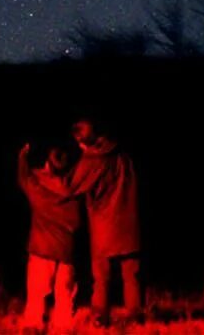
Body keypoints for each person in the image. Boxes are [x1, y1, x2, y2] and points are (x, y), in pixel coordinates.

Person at [59, 118, 140, 324]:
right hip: (130, 223)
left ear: (82, 140)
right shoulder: (123, 155)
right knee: (131, 275)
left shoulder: (92, 160)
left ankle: (100, 316)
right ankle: (135, 315)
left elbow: (69, 188)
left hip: (105, 225)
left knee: (101, 276)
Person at [17, 141, 81, 332]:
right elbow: (78, 223)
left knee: (36, 296)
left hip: (41, 249)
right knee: (65, 298)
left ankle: (34, 326)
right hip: (66, 251)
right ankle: (63, 327)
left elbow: (23, 177)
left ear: (47, 163)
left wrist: (22, 156)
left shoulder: (38, 187)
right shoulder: (74, 191)